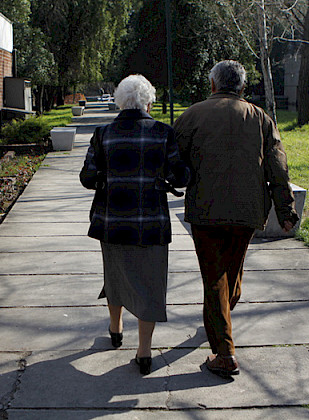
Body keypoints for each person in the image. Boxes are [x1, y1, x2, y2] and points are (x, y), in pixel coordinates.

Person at [173, 60, 299, 378]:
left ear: (213, 84)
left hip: (206, 209)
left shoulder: (192, 115)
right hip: (247, 211)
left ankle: (225, 353)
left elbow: (173, 160)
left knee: (215, 278)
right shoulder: (261, 118)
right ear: (242, 87)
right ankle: (222, 319)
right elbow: (278, 167)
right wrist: (285, 211)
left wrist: (172, 182)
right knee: (231, 271)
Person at [80, 74, 190, 375]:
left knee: (115, 275)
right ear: (149, 102)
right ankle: (144, 352)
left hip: (112, 221)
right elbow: (181, 176)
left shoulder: (103, 133)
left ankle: (115, 330)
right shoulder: (163, 133)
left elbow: (87, 178)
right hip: (151, 222)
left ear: (120, 101)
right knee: (151, 282)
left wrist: (109, 178)